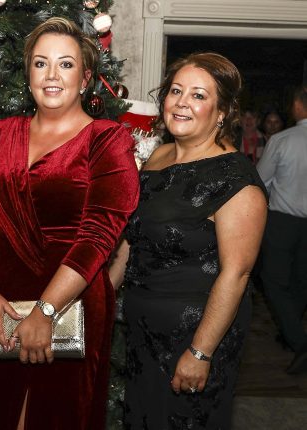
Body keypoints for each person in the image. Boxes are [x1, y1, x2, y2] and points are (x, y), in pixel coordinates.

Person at [0, 17, 139, 429]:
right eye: (41, 63)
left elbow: (98, 236)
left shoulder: (108, 140)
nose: (52, 75)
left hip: (70, 304)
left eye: (65, 64)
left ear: (85, 78)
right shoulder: (3, 133)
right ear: (28, 74)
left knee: (59, 416)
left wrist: (46, 311)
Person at [109, 52, 267, 429]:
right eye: (176, 91)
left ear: (222, 111)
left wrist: (200, 352)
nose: (182, 102)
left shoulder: (236, 179)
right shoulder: (158, 156)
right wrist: (102, 297)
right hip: (142, 331)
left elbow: (237, 274)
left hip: (193, 336)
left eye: (198, 95)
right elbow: (133, 237)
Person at [256, 86, 307, 374]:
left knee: (273, 281)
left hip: (282, 221)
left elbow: (261, 181)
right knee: (301, 280)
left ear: (298, 106)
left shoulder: (282, 140)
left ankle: (298, 340)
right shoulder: (282, 138)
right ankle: (291, 334)